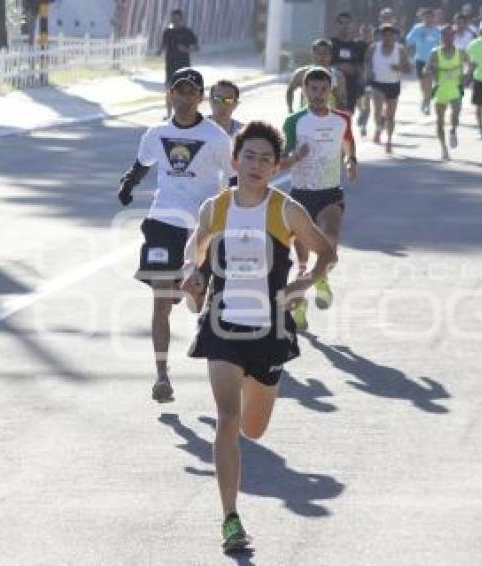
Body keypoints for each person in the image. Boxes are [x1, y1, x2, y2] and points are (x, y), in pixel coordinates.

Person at [181, 121, 336, 554]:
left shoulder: (285, 210)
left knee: (253, 429)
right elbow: (196, 249)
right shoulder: (216, 208)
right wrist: (193, 274)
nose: (256, 164)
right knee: (228, 420)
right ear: (235, 160)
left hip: (269, 332)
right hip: (222, 327)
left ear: (275, 167)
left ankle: (262, 384)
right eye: (248, 155)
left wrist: (303, 283)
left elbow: (328, 253)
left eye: (266, 158)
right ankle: (230, 519)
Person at [117, 68, 234, 402]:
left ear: (200, 97)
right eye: (178, 91)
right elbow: (142, 163)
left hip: (201, 228)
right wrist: (129, 183)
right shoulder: (156, 133)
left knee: (195, 304)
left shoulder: (216, 138)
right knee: (160, 299)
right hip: (162, 223)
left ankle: (195, 290)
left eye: (191, 92)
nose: (184, 98)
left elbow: (235, 177)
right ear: (170, 94)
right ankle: (161, 376)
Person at [280, 67, 356, 331]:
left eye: (324, 89)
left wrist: (351, 161)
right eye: (313, 89)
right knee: (301, 261)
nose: (319, 94)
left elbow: (348, 144)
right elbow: (280, 162)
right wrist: (296, 158)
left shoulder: (341, 119)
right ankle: (301, 303)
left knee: (330, 239)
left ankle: (319, 277)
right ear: (305, 90)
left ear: (330, 90)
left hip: (329, 194)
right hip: (301, 195)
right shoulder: (294, 121)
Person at [365, 23, 411, 153]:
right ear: (381, 35)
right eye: (385, 34)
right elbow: (367, 62)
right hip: (377, 83)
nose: (388, 37)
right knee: (378, 110)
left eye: (390, 35)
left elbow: (408, 68)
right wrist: (369, 72)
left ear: (394, 36)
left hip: (393, 84)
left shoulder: (400, 50)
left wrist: (399, 68)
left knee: (391, 115)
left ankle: (389, 140)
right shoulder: (373, 48)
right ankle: (379, 128)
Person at [426, 24, 466, 160]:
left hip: (456, 88)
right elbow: (426, 70)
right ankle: (443, 148)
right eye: (445, 35)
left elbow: (471, 64)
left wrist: (466, 75)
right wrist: (431, 69)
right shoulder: (435, 52)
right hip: (441, 89)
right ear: (441, 37)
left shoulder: (460, 52)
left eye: (450, 35)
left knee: (455, 115)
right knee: (440, 121)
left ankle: (453, 130)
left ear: (454, 36)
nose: (448, 38)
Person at [157, 10, 199, 120]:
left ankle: (187, 113)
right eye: (172, 19)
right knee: (170, 90)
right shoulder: (167, 32)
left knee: (185, 91)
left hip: (184, 66)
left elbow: (197, 48)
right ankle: (169, 114)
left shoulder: (187, 32)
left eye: (176, 19)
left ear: (181, 19)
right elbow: (163, 45)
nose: (174, 21)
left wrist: (186, 49)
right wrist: (159, 51)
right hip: (170, 66)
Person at [286, 39, 346, 114]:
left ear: (331, 55)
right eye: (318, 53)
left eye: (325, 53)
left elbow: (342, 101)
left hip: (329, 119)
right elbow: (290, 90)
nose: (322, 56)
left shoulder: (338, 76)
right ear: (313, 54)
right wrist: (290, 110)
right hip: (306, 118)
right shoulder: (302, 73)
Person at [405, 7, 441, 115]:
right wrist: (406, 57)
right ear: (423, 17)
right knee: (422, 83)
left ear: (434, 18)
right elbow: (409, 41)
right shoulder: (417, 28)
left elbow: (441, 44)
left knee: (429, 81)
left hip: (432, 60)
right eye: (426, 17)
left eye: (430, 17)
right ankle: (425, 98)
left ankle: (427, 103)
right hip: (419, 59)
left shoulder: (437, 30)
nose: (428, 19)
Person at [331, 12, 368, 114]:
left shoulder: (358, 46)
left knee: (348, 115)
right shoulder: (330, 44)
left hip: (352, 87)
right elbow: (321, 65)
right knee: (334, 115)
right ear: (336, 25)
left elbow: (363, 66)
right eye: (341, 23)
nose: (344, 26)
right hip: (333, 87)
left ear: (352, 25)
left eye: (347, 23)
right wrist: (339, 67)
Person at [356, 23, 376, 136]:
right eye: (364, 32)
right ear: (361, 33)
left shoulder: (376, 46)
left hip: (371, 78)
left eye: (369, 33)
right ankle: (362, 112)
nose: (366, 35)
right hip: (358, 77)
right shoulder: (356, 44)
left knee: (367, 101)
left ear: (372, 33)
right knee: (358, 100)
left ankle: (364, 125)